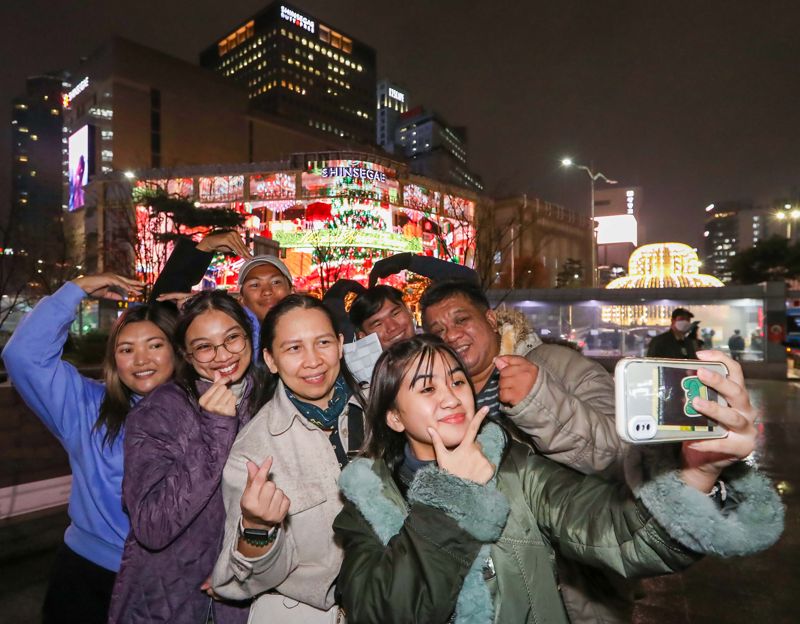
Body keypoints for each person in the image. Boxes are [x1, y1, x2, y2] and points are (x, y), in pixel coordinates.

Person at [333, 336, 784, 623]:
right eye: (427, 388)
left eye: (457, 381)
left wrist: (698, 472)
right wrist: (453, 499)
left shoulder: (518, 468)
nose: (452, 397)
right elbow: (381, 611)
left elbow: (614, 532)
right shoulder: (367, 503)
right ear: (393, 417)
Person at [2, 273, 178, 624]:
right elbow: (24, 357)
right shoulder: (88, 407)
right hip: (88, 575)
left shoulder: (207, 410)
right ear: (114, 359)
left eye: (155, 345)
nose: (141, 359)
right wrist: (75, 290)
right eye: (126, 349)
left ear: (177, 349)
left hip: (170, 579)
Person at [108, 291, 263, 624]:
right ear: (187, 356)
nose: (222, 355)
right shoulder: (158, 411)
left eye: (232, 338)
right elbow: (152, 526)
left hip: (249, 599)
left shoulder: (269, 399)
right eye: (205, 346)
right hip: (172, 601)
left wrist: (240, 569)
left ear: (249, 337)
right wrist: (215, 431)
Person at [211, 294, 365, 623]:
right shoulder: (253, 451)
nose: (313, 361)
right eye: (294, 348)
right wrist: (257, 529)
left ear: (340, 344)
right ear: (270, 359)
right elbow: (241, 583)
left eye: (322, 342)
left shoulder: (382, 412)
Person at [420, 280, 619, 473]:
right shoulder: (437, 400)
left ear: (490, 320)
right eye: (439, 331)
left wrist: (537, 399)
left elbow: (616, 451)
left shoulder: (559, 364)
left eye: (461, 320)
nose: (452, 335)